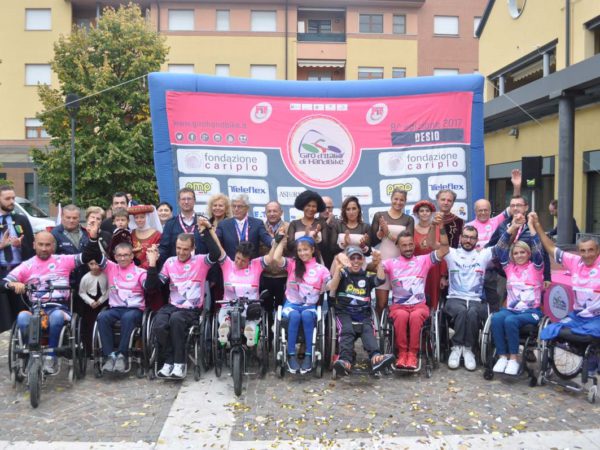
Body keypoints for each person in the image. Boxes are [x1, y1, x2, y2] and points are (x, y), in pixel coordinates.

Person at [2, 223, 101, 374]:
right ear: (34, 245)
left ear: (53, 247)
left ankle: (51, 357)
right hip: (36, 308)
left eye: (48, 245)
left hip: (59, 307)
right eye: (40, 244)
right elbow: (3, 282)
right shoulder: (26, 265)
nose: (44, 248)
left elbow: (87, 256)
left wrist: (93, 238)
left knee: (56, 317)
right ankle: (30, 355)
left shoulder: (63, 260)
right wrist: (12, 284)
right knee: (22, 317)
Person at [146, 217, 221, 379]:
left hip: (191, 309)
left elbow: (216, 254)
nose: (181, 252)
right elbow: (152, 286)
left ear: (193, 248)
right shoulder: (170, 262)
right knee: (159, 323)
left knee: (176, 320)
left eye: (185, 249)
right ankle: (169, 360)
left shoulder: (200, 261)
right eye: (178, 248)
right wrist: (152, 264)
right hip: (172, 306)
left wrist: (206, 231)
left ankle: (179, 363)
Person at [383, 215, 449, 369]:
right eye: (404, 245)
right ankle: (402, 354)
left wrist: (441, 227)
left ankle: (412, 354)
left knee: (415, 316)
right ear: (398, 247)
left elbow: (444, 249)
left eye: (410, 244)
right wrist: (371, 258)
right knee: (401, 316)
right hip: (399, 307)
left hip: (419, 306)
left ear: (414, 244)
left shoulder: (423, 260)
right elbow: (372, 268)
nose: (408, 248)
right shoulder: (390, 263)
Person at [491, 213, 544, 376]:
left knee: (510, 320)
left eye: (523, 252)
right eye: (516, 253)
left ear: (528, 253)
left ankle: (514, 359)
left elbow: (538, 248)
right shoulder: (509, 268)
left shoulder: (536, 267)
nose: (519, 255)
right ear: (512, 256)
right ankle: (502, 357)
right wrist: (513, 227)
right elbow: (499, 249)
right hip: (512, 310)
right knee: (496, 318)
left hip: (531, 312)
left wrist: (532, 226)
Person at [328, 246, 394, 376]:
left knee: (368, 330)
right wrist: (339, 268)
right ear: (348, 260)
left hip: (363, 313)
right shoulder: (343, 274)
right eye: (352, 258)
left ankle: (376, 357)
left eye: (358, 258)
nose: (356, 261)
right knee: (346, 330)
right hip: (344, 313)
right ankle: (345, 360)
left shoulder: (366, 275)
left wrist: (379, 263)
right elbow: (332, 287)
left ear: (363, 260)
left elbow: (381, 279)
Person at [273, 231, 331, 374]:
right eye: (299, 250)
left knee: (306, 315)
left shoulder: (321, 270)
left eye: (305, 249)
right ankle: (291, 355)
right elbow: (276, 258)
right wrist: (281, 242)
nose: (302, 253)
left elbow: (330, 286)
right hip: (291, 304)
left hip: (310, 306)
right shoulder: (292, 264)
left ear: (312, 250)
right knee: (294, 316)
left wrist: (339, 270)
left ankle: (308, 356)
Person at [444, 225, 501, 371]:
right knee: (462, 311)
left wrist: (513, 226)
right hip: (454, 298)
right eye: (465, 237)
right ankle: (457, 348)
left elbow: (502, 245)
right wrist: (437, 226)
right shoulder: (451, 253)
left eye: (472, 238)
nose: (468, 240)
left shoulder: (483, 254)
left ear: (477, 240)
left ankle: (468, 349)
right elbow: (434, 244)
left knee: (472, 312)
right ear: (460, 238)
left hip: (476, 300)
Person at [534, 216, 600, 341]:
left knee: (587, 333)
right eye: (583, 251)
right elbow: (551, 248)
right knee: (549, 330)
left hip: (597, 319)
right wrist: (537, 225)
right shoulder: (575, 261)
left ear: (597, 251)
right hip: (577, 317)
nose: (587, 255)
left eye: (590, 250)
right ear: (578, 252)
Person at [214, 229, 280, 349]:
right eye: (237, 258)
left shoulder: (256, 264)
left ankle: (250, 332)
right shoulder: (227, 263)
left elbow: (270, 257)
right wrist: (209, 229)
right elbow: (218, 246)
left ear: (249, 260)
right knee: (225, 316)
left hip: (250, 308)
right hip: (229, 306)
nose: (239, 262)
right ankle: (225, 327)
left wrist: (276, 242)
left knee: (251, 320)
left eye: (243, 260)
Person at [468, 169, 521, 312]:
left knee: (496, 302)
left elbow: (514, 207)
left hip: (496, 270)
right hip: (476, 271)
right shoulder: (468, 226)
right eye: (480, 210)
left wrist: (516, 186)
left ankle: (493, 323)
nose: (483, 212)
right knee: (475, 303)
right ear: (475, 211)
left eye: (486, 210)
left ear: (490, 210)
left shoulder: (497, 220)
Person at [95, 241, 151, 373]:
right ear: (115, 256)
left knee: (128, 317)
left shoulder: (141, 272)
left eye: (126, 255)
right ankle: (109, 356)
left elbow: (148, 286)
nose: (122, 258)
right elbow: (95, 254)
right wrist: (93, 238)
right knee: (102, 317)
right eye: (119, 255)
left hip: (134, 309)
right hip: (115, 308)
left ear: (132, 256)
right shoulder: (111, 267)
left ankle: (122, 355)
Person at [487, 195, 552, 289]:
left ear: (526, 207)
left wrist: (547, 276)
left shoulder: (533, 225)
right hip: (505, 274)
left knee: (529, 297)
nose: (515, 208)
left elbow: (543, 251)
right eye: (512, 206)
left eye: (518, 205)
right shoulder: (503, 225)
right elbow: (492, 246)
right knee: (505, 298)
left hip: (529, 274)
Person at [369, 188, 414, 314]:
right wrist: (380, 233)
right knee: (381, 304)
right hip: (383, 263)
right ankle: (378, 326)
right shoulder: (379, 215)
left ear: (405, 201)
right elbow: (372, 241)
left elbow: (407, 244)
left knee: (400, 304)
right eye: (396, 199)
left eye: (402, 200)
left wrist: (388, 233)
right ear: (391, 199)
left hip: (401, 265)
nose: (398, 202)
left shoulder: (409, 219)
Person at [0, 185, 34, 333]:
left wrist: (21, 245)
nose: (12, 201)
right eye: (7, 198)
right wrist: (1, 246)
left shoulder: (21, 219)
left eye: (13, 198)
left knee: (20, 311)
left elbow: (32, 247)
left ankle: (21, 339)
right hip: (1, 272)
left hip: (19, 271)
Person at [259, 201, 288, 345]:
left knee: (282, 309)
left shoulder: (288, 227)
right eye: (269, 211)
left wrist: (278, 240)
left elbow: (292, 249)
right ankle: (268, 339)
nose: (272, 214)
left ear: (281, 212)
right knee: (266, 309)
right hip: (265, 276)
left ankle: (282, 339)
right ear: (265, 213)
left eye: (275, 211)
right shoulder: (260, 227)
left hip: (283, 276)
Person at [159, 188, 208, 266]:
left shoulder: (204, 222)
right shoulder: (170, 224)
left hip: (200, 268)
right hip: (177, 269)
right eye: (183, 199)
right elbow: (164, 249)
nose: (186, 202)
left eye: (189, 199)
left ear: (194, 201)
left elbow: (210, 248)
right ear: (179, 201)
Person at [216, 193, 272, 260]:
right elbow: (215, 242)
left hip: (251, 264)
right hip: (231, 264)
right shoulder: (223, 225)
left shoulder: (257, 223)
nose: (236, 209)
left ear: (247, 208)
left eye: (239, 206)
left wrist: (276, 240)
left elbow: (267, 240)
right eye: (234, 206)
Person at [412, 200, 443, 310]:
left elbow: (443, 251)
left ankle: (433, 317)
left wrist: (443, 275)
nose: (424, 213)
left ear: (431, 213)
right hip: (418, 269)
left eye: (427, 211)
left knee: (434, 296)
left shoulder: (438, 229)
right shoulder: (411, 230)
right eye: (422, 211)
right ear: (417, 213)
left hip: (434, 269)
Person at [286, 190, 327, 259]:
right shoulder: (294, 224)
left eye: (314, 206)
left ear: (317, 208)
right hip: (298, 260)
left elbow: (325, 247)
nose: (311, 209)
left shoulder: (322, 223)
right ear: (303, 206)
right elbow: (289, 246)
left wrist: (317, 238)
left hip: (316, 260)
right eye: (308, 205)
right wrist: (305, 236)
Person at [320, 195, 338, 269]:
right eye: (324, 208)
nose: (327, 210)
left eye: (329, 208)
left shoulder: (339, 223)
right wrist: (327, 222)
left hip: (336, 262)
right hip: (319, 262)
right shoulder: (313, 222)